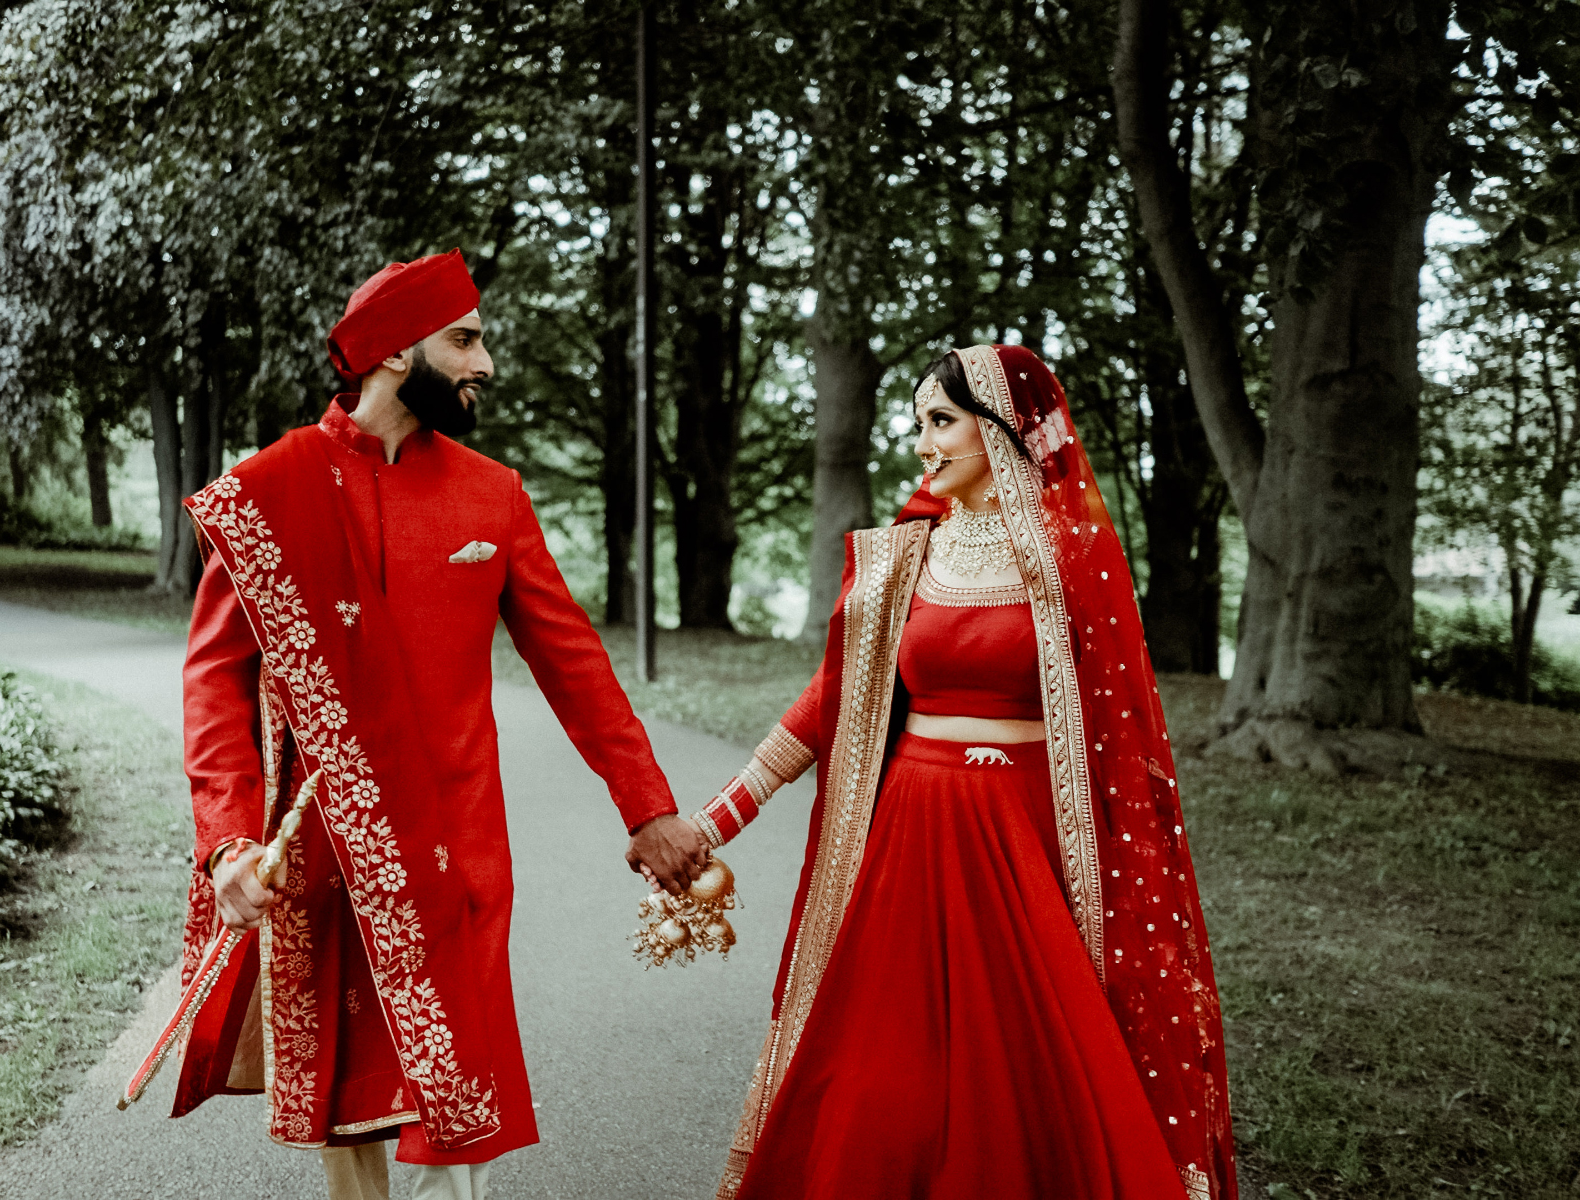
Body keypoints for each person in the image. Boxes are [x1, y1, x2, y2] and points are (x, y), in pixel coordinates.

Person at [163, 249, 709, 1200]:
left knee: (457, 1099)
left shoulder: (493, 493)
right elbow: (213, 683)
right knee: (349, 1095)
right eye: (464, 340)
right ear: (391, 353)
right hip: (333, 847)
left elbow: (575, 665)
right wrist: (228, 842)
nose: (483, 363)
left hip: (460, 851)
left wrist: (648, 806)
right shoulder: (267, 494)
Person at [690, 345, 1238, 1200]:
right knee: (882, 1072)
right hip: (910, 837)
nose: (922, 444)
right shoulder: (906, 557)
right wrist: (718, 819)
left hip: (1023, 845)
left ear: (1005, 430)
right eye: (919, 423)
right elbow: (826, 702)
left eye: (941, 421)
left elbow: (1123, 732)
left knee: (1023, 1080)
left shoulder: (1073, 557)